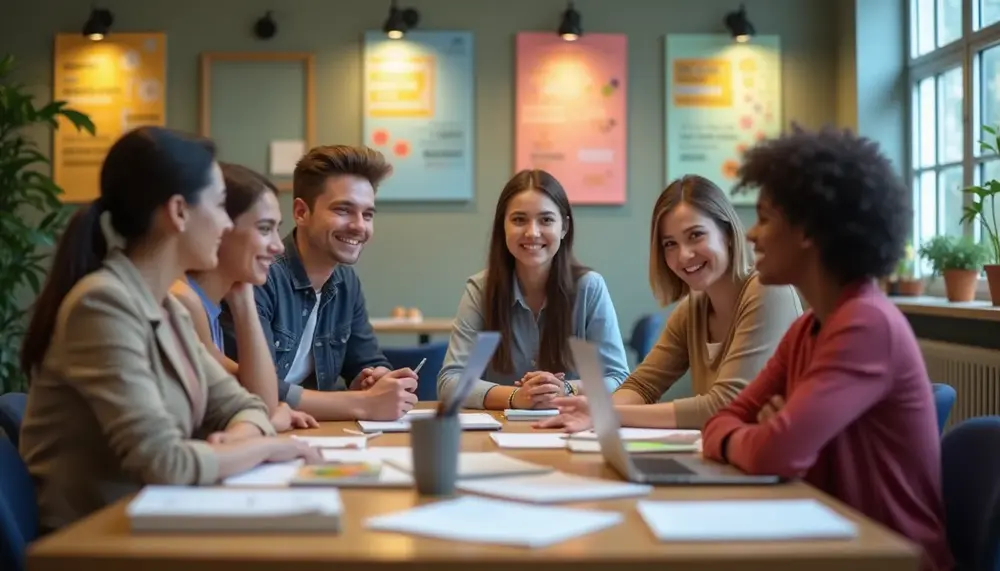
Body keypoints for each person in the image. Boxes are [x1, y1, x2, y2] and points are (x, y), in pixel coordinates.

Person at [18, 127, 322, 532]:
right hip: (101, 543)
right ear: (179, 212)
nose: (224, 225)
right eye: (218, 207)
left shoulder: (163, 308)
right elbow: (166, 463)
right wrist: (263, 446)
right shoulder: (103, 304)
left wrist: (241, 438)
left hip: (156, 524)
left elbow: (247, 407)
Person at [700, 126, 952, 571]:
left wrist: (771, 439)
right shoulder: (806, 328)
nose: (753, 235)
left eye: (765, 218)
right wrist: (761, 437)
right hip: (825, 537)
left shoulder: (866, 323)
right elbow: (720, 422)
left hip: (885, 556)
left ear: (808, 231)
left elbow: (774, 454)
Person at [536, 174, 802, 431]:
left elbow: (725, 405)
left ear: (728, 234)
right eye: (670, 244)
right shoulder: (693, 307)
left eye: (696, 235)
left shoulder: (769, 291)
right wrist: (590, 413)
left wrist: (607, 413)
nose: (684, 255)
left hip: (785, 471)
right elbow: (641, 386)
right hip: (729, 456)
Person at [222, 144, 418, 421]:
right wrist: (363, 403)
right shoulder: (258, 274)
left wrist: (378, 379)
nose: (359, 226)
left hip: (316, 431)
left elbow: (366, 361)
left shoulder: (346, 281)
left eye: (368, 214)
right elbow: (254, 387)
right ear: (301, 212)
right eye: (343, 210)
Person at [437, 169, 630, 410]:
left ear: (564, 227)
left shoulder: (589, 287)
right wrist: (516, 396)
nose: (532, 232)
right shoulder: (481, 289)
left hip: (571, 427)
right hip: (499, 433)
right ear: (503, 227)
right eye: (519, 220)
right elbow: (450, 382)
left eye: (546, 220)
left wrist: (566, 389)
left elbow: (619, 380)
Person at [170, 162, 318, 432]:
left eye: (276, 229)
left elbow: (262, 399)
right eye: (264, 229)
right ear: (219, 227)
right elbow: (265, 408)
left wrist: (244, 300)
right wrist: (268, 422)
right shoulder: (182, 300)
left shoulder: (207, 302)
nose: (277, 246)